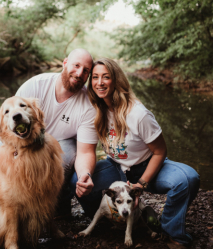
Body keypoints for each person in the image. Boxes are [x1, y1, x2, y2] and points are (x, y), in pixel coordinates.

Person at [72, 57, 200, 246]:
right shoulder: (95, 111)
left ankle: (170, 231)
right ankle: (108, 219)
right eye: (95, 77)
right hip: (115, 167)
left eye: (106, 77)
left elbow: (160, 151)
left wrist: (141, 183)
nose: (99, 83)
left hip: (147, 166)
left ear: (116, 81)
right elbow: (85, 152)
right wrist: (85, 175)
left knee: (188, 179)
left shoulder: (138, 114)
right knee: (78, 180)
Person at [0, 48, 99, 209]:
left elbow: (86, 151)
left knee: (58, 166)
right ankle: (15, 201)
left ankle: (59, 201)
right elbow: (10, 122)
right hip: (26, 139)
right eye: (76, 65)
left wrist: (85, 174)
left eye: (86, 71)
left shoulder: (89, 105)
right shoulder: (35, 85)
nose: (79, 73)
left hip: (62, 143)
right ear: (65, 63)